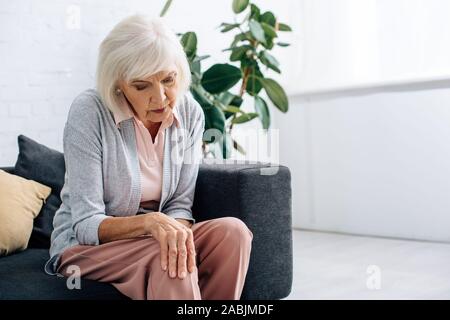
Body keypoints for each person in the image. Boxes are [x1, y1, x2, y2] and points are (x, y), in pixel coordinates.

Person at [44, 14, 253, 300]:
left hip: (152, 240)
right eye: (141, 86)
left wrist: (173, 238)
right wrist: (150, 225)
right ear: (119, 84)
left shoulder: (191, 113)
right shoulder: (90, 112)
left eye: (168, 80)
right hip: (85, 248)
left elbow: (180, 204)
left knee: (233, 234)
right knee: (165, 257)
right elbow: (86, 224)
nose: (161, 97)